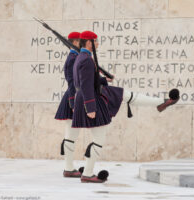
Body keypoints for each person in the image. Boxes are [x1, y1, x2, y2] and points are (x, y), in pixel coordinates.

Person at [72, 31, 180, 183]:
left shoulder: (82, 58)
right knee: (98, 139)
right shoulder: (86, 60)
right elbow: (85, 85)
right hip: (90, 101)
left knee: (124, 95)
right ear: (89, 43)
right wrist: (90, 108)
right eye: (96, 41)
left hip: (89, 98)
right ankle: (88, 174)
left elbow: (88, 81)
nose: (98, 44)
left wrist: (103, 79)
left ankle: (161, 102)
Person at [55, 32, 82, 178]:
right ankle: (68, 168)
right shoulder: (73, 58)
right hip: (73, 98)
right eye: (81, 41)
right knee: (71, 134)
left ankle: (69, 167)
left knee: (72, 134)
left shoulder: (75, 56)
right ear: (76, 42)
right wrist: (73, 102)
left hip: (75, 97)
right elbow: (71, 81)